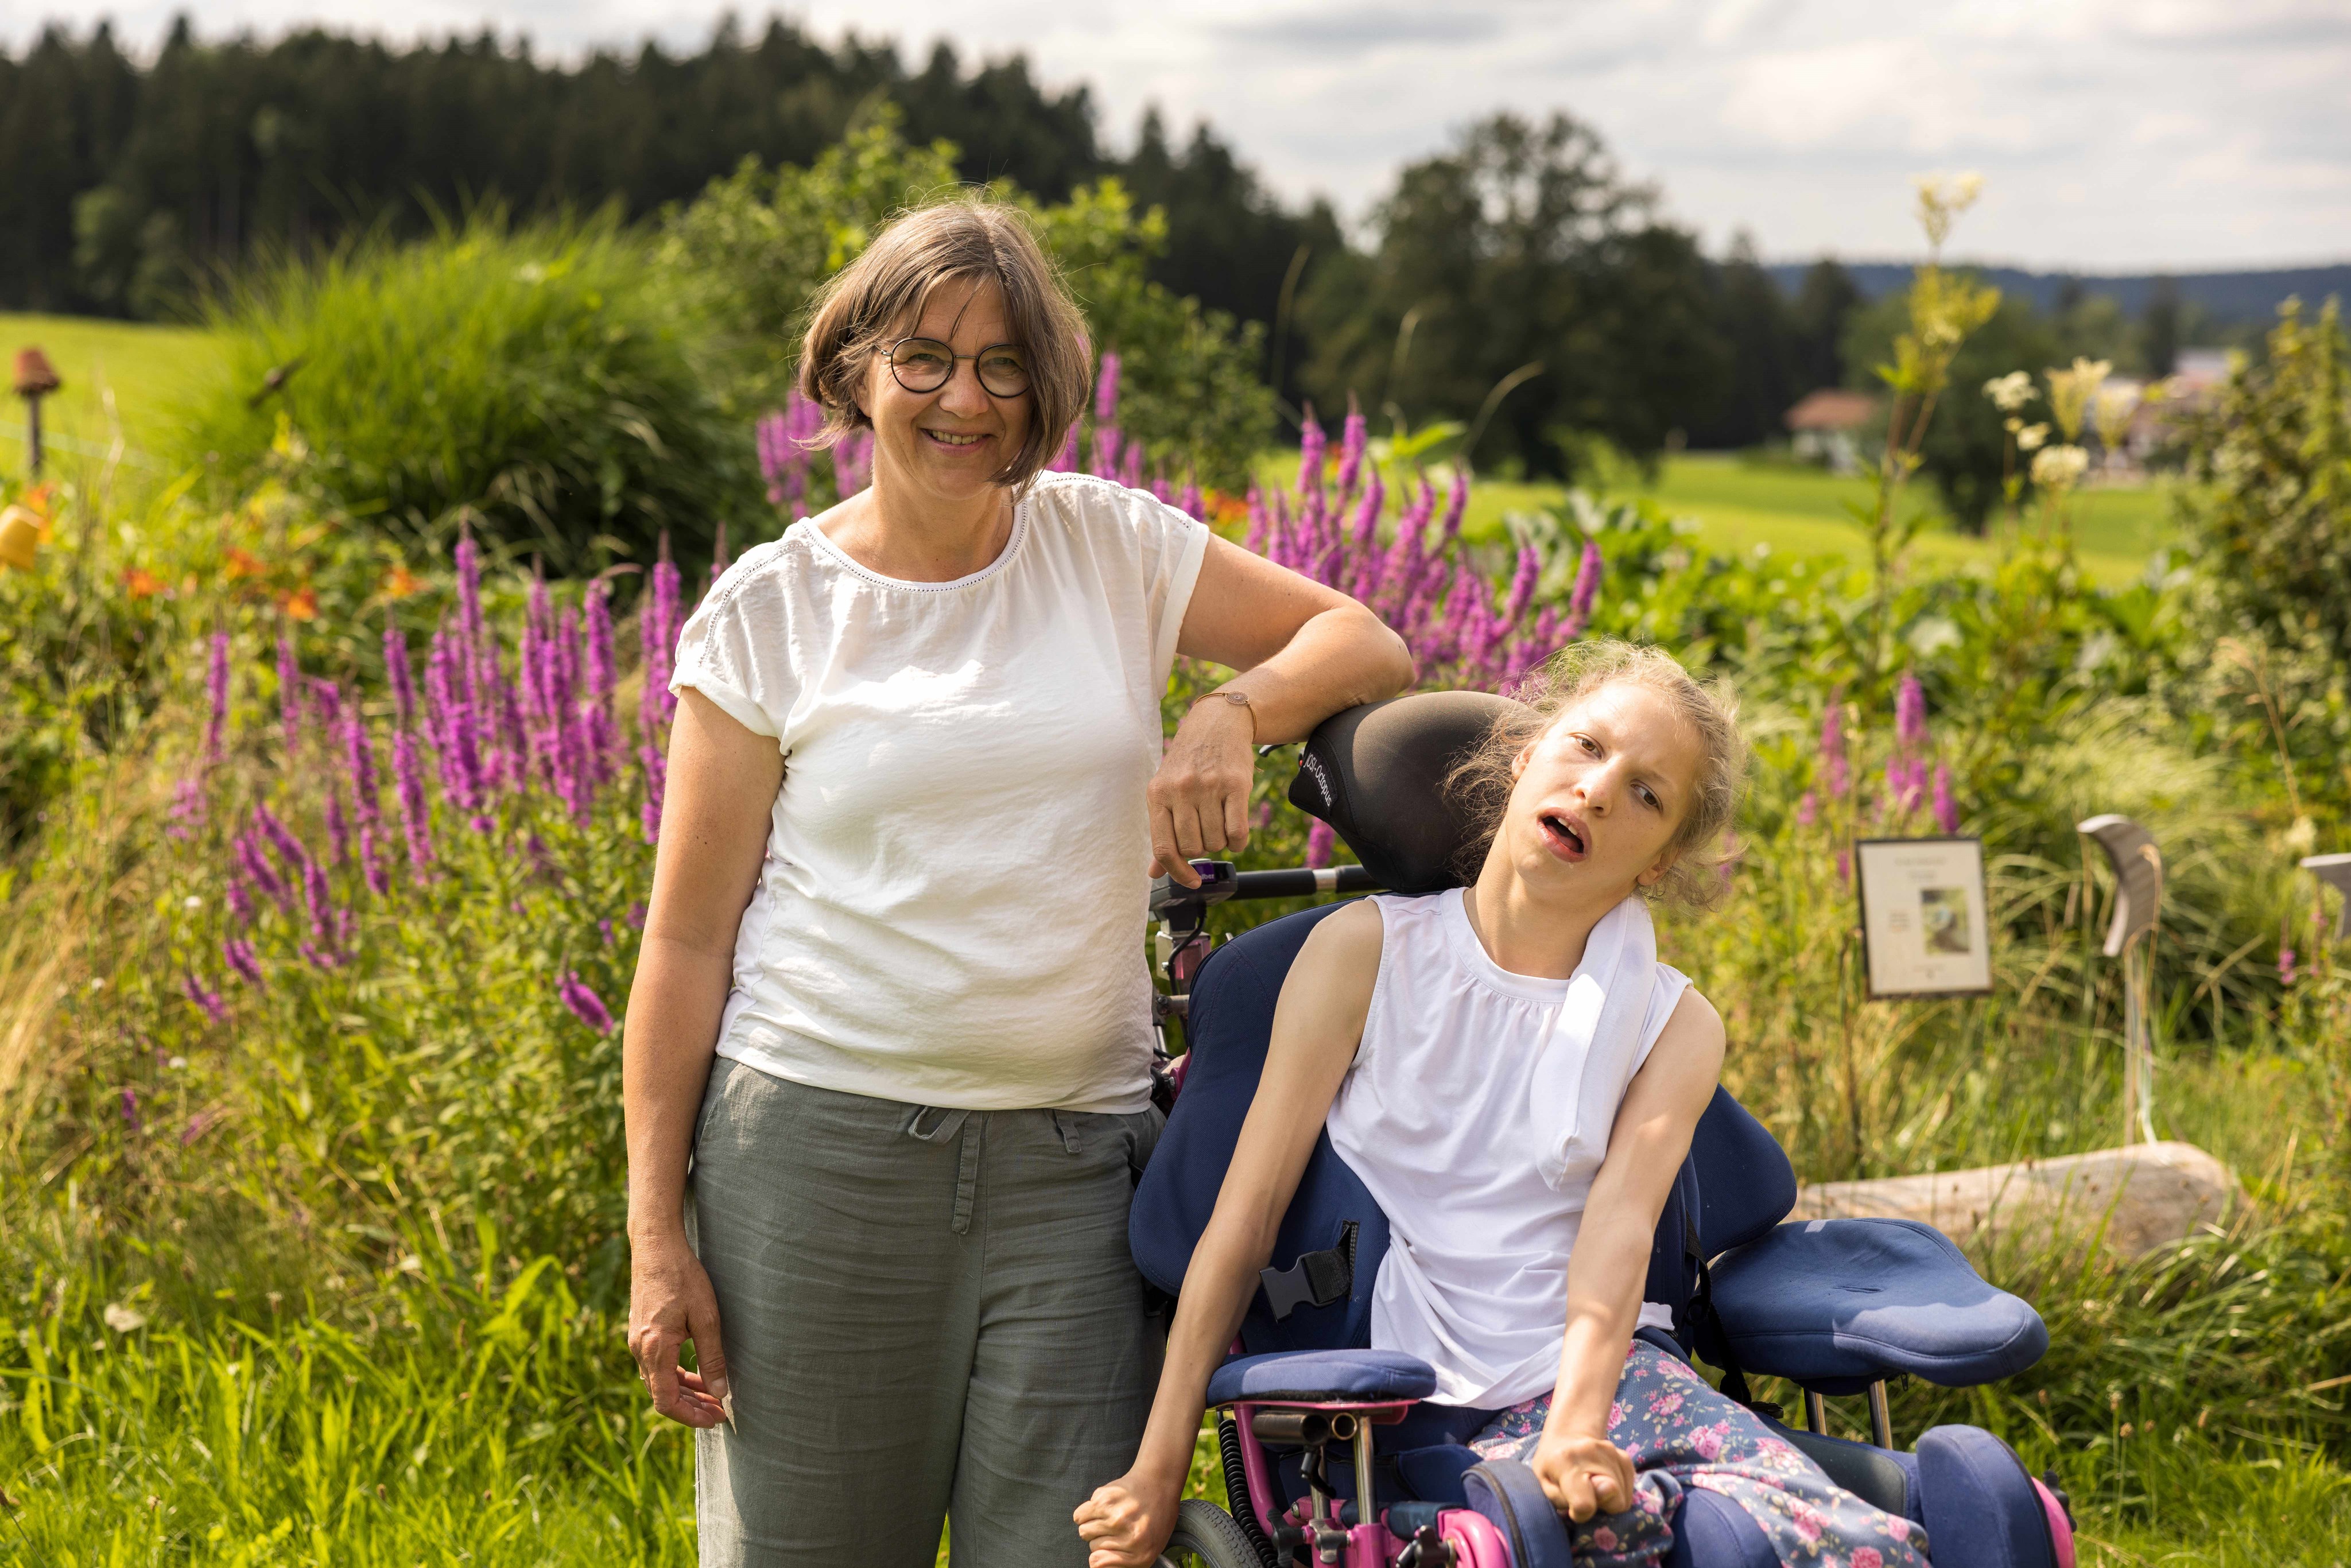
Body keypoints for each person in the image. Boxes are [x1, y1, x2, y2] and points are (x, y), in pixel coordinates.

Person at [620, 194, 1415, 1568]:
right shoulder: (770, 610)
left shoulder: (1107, 545)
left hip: (1072, 1169)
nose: (962, 397)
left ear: (1041, 391)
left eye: (1002, 366)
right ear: (856, 366)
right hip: (816, 1163)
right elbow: (686, 944)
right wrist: (651, 1235)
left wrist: (1231, 710)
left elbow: (1365, 640)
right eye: (923, 356)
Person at [1076, 643, 1930, 1568]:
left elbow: (1618, 1236)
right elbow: (1240, 1227)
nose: (1600, 792)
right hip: (1419, 1394)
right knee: (1599, 1531)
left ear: (1661, 862)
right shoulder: (1365, 955)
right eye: (1586, 748)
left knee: (1838, 1538)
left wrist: (1576, 1421)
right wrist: (1157, 1470)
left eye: (1647, 795)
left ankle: (1966, 1513)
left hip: (1604, 1378)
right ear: (1526, 756)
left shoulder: (1673, 1023)